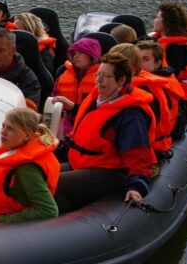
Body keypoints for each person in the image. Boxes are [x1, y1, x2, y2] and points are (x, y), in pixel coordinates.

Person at [55, 53, 156, 214]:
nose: (99, 80)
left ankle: (57, 220)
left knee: (53, 183)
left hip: (108, 170)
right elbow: (81, 133)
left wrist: (137, 185)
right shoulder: (96, 100)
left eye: (106, 76)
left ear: (121, 80)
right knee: (40, 174)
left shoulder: (131, 114)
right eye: (98, 75)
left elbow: (138, 154)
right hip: (82, 161)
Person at [0, 107, 60, 223]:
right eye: (3, 126)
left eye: (10, 129)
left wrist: (3, 219)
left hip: (12, 222)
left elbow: (49, 210)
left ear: (27, 135)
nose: (3, 131)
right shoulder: (15, 149)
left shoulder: (26, 169)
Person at [127, 41, 187, 154]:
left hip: (154, 146)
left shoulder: (153, 87)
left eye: (145, 59)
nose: (139, 64)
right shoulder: (164, 80)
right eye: (137, 59)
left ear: (157, 63)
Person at [50, 36, 102, 136]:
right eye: (74, 53)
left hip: (90, 126)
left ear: (92, 56)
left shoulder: (102, 79)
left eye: (81, 53)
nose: (76, 57)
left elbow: (100, 110)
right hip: (63, 126)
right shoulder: (62, 77)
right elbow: (52, 102)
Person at [152, 1, 187, 91]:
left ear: (166, 22)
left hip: (170, 89)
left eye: (157, 17)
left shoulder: (176, 47)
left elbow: (173, 74)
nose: (154, 20)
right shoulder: (155, 40)